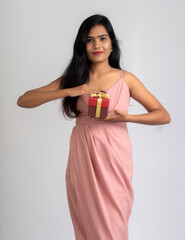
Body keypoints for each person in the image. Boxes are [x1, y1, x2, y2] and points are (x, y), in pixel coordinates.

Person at [17, 14, 171, 240]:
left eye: (102, 38)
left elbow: (163, 115)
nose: (97, 45)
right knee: (87, 229)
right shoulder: (74, 79)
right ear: (83, 45)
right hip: (82, 157)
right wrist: (69, 91)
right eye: (90, 40)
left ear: (111, 44)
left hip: (114, 159)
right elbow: (24, 100)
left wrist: (127, 118)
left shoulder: (125, 79)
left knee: (113, 227)